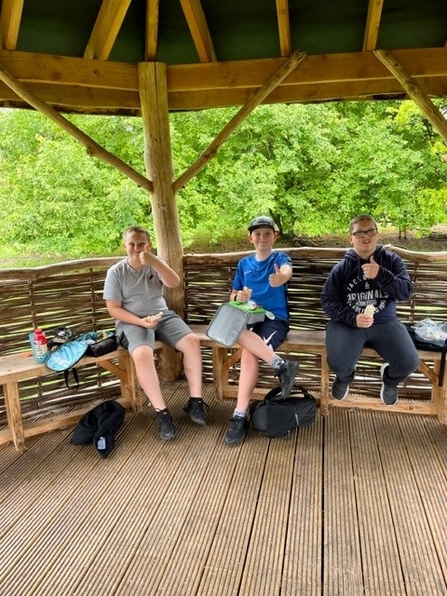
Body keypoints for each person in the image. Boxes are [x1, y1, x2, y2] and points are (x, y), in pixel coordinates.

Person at [103, 225, 208, 441]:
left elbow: (174, 283)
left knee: (192, 342)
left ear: (148, 245)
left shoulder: (154, 264)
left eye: (141, 244)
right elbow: (113, 308)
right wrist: (140, 321)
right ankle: (162, 412)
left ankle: (195, 402)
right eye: (131, 244)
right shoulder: (116, 272)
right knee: (142, 354)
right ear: (124, 246)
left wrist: (155, 261)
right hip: (132, 321)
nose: (136, 248)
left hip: (161, 316)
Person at [321, 214, 420, 406]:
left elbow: (406, 292)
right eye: (359, 233)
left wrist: (382, 275)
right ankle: (345, 378)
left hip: (385, 322)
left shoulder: (392, 261)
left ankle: (390, 380)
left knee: (408, 362)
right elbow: (328, 300)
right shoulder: (341, 268)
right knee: (338, 363)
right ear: (351, 238)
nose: (365, 236)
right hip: (348, 324)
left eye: (370, 231)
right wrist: (352, 317)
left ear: (377, 234)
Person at [224, 215, 299, 446]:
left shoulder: (279, 257)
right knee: (232, 331)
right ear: (250, 238)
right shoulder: (244, 264)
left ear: (275, 236)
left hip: (274, 319)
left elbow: (287, 271)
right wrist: (240, 296)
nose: (262, 238)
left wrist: (281, 277)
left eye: (267, 233)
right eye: (257, 234)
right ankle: (282, 365)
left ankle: (239, 415)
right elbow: (233, 296)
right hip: (249, 317)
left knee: (248, 353)